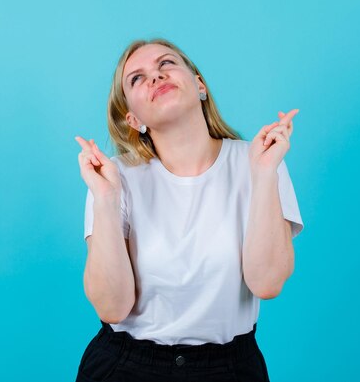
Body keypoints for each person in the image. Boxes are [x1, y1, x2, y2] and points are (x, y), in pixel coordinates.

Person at [74, 38, 304, 382]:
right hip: (125, 366)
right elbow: (111, 308)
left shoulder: (258, 160)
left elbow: (267, 282)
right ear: (133, 119)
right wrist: (106, 200)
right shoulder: (113, 177)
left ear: (200, 85)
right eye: (136, 78)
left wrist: (264, 173)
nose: (155, 76)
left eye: (166, 63)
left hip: (229, 367)